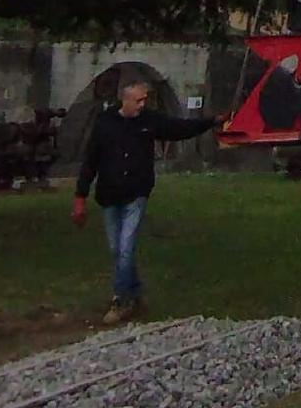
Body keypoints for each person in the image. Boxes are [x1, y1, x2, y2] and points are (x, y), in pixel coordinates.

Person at [71, 78, 216, 325]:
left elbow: (179, 128)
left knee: (126, 248)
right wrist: (80, 198)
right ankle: (135, 294)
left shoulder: (150, 120)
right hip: (109, 195)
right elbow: (90, 161)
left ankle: (120, 300)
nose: (142, 105)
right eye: (138, 100)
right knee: (117, 250)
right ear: (125, 100)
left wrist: (211, 122)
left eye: (144, 100)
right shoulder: (105, 123)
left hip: (135, 194)